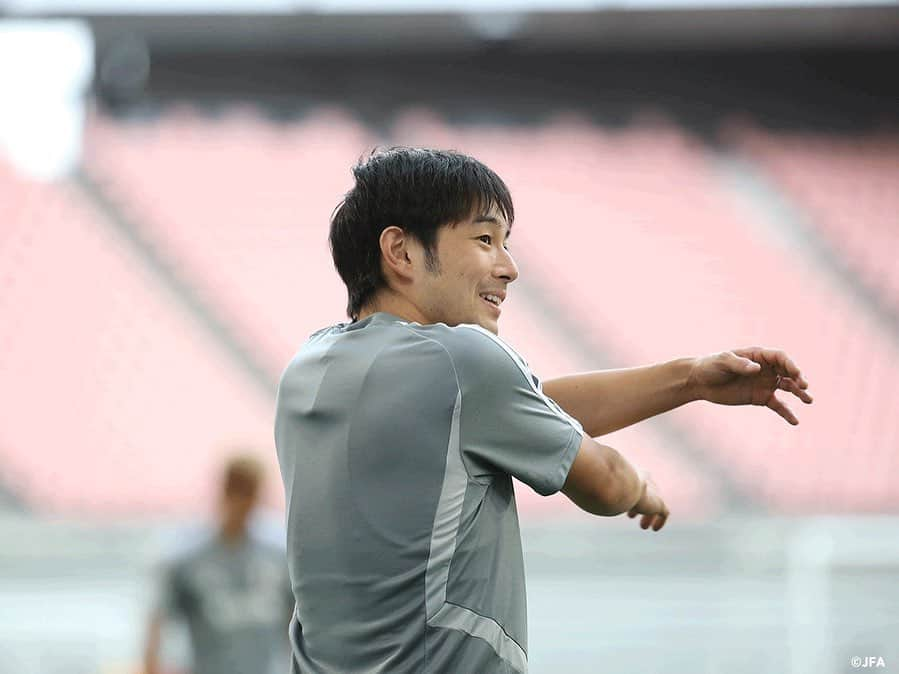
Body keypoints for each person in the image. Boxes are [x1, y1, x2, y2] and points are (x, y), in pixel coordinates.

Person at [274, 147, 814, 673]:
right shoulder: (463, 359)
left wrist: (689, 379)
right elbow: (600, 480)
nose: (509, 268)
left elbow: (517, 412)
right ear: (402, 251)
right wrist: (640, 484)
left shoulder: (312, 365)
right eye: (485, 239)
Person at [143, 455, 294, 674]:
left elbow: (296, 621)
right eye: (238, 493)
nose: (244, 504)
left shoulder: (279, 554)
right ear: (225, 492)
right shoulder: (187, 556)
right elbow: (157, 622)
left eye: (250, 494)